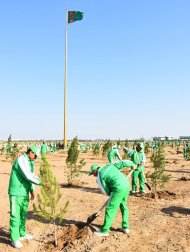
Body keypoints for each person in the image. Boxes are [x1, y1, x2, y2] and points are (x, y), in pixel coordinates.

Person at [89, 159, 136, 237]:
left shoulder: (99, 177)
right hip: (126, 185)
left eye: (92, 174)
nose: (93, 176)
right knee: (123, 206)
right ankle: (126, 227)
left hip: (117, 189)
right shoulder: (109, 165)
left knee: (109, 208)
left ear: (95, 171)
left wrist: (112, 195)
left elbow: (105, 191)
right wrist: (132, 164)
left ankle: (104, 231)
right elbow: (122, 162)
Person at [8, 146, 43, 249]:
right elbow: (28, 176)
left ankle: (22, 234)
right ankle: (14, 239)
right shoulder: (21, 160)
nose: (36, 158)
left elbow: (30, 177)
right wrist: (42, 182)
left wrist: (32, 191)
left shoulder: (30, 162)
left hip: (24, 193)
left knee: (23, 214)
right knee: (15, 215)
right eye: (35, 155)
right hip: (15, 193)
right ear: (31, 152)